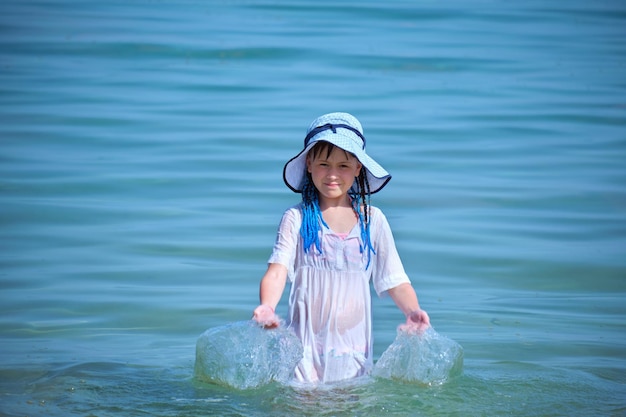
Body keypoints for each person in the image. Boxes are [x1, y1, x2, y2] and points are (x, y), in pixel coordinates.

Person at [252, 112, 430, 384]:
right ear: (309, 164)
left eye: (343, 165)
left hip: (354, 352)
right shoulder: (297, 218)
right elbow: (277, 271)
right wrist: (266, 306)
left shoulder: (373, 221)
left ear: (358, 167)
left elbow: (396, 280)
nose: (333, 174)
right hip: (304, 350)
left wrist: (412, 311)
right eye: (324, 163)